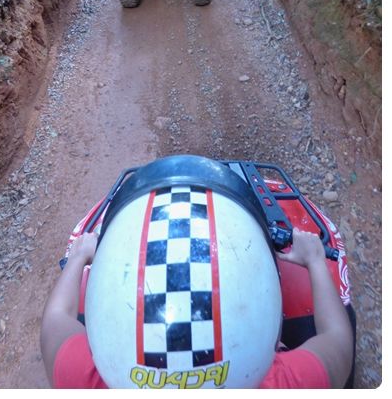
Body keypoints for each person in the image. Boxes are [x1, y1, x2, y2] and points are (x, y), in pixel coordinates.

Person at [40, 156, 353, 389]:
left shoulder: (86, 381)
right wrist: (315, 260)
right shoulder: (285, 386)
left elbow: (55, 319)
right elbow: (338, 340)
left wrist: (79, 256)